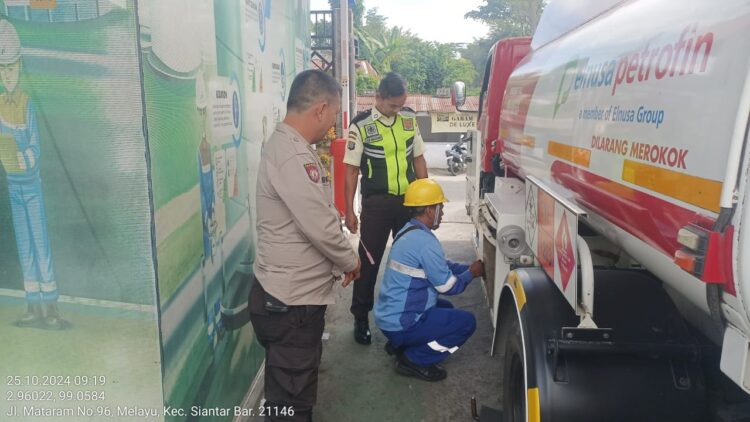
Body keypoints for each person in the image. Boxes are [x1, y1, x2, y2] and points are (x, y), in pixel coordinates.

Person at [248, 69, 361, 422]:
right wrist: (350, 260)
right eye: (332, 116)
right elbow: (321, 225)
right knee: (291, 407)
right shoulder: (293, 154)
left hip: (287, 298)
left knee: (288, 392)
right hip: (291, 304)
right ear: (321, 109)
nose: (331, 127)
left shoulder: (289, 146)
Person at [343, 72, 428, 345]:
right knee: (369, 262)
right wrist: (349, 210)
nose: (396, 110)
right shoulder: (361, 125)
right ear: (378, 97)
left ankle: (413, 312)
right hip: (377, 205)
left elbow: (418, 159)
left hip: (409, 203)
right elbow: (351, 171)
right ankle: (360, 318)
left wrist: (426, 198)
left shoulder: (408, 119)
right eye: (392, 105)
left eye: (401, 105)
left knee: (413, 259)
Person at [374, 179, 484, 382]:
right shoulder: (425, 243)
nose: (442, 213)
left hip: (389, 317)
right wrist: (472, 274)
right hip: (402, 323)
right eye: (440, 208)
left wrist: (468, 268)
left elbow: (441, 266)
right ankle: (414, 358)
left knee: (446, 308)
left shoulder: (408, 231)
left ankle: (400, 344)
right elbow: (449, 286)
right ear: (429, 211)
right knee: (466, 323)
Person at [0, 19, 65, 329]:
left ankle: (50, 307)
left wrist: (19, 158)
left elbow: (36, 149)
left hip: (31, 186)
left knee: (40, 244)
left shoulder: (27, 104)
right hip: (13, 186)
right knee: (24, 246)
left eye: (10, 68)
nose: (7, 74)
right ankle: (32, 306)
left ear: (20, 66)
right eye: (2, 69)